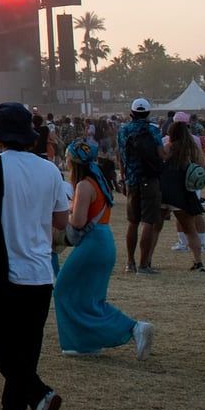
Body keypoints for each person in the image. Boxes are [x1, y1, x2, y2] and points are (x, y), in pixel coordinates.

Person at [0, 103, 72, 410]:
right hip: (40, 271)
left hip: (2, 269)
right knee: (27, 346)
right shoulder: (49, 169)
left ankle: (39, 395)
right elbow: (60, 221)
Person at [54, 143, 153, 360]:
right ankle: (88, 342)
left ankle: (131, 328)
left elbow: (78, 222)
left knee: (63, 289)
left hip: (92, 243)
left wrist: (64, 215)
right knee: (90, 297)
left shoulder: (83, 186)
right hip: (103, 239)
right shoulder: (98, 182)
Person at [117, 98, 166, 276]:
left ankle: (130, 262)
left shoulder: (123, 130)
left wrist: (123, 179)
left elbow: (121, 158)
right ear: (148, 113)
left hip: (131, 179)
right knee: (148, 221)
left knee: (132, 222)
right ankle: (143, 265)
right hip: (149, 178)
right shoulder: (152, 130)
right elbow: (162, 154)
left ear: (131, 113)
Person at [158, 121, 205, 272]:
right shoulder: (192, 148)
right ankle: (198, 261)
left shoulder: (170, 146)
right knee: (190, 229)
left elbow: (161, 159)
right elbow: (201, 163)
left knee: (155, 227)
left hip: (167, 189)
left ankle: (146, 260)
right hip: (185, 191)